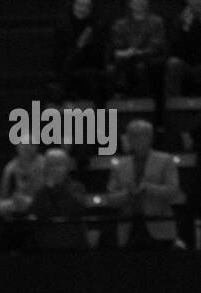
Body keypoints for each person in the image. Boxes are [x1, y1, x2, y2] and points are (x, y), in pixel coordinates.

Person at [106, 117, 182, 246]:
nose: (137, 140)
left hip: (160, 226)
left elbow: (173, 191)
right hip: (129, 229)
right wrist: (129, 193)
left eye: (142, 136)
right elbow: (111, 198)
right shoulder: (119, 166)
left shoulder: (165, 160)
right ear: (128, 139)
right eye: (133, 136)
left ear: (150, 138)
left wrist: (148, 188)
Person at [106, 0, 167, 113]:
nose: (139, 2)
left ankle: (158, 115)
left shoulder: (157, 21)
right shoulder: (120, 24)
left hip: (149, 58)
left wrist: (138, 52)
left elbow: (157, 45)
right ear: (129, 3)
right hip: (126, 58)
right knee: (121, 63)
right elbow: (116, 46)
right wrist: (125, 52)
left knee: (154, 65)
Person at [28, 151, 91, 250]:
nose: (54, 169)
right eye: (50, 165)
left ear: (67, 167)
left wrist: (57, 188)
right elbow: (33, 211)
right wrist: (47, 188)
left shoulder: (77, 187)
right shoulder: (40, 190)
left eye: (58, 164)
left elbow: (77, 207)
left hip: (74, 247)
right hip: (45, 248)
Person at [52, 1, 108, 103]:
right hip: (67, 72)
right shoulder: (62, 26)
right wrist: (78, 47)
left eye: (86, 6)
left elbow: (99, 56)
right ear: (72, 6)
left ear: (91, 9)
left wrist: (84, 46)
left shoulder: (97, 26)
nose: (82, 9)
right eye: (79, 5)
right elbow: (58, 55)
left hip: (91, 70)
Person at [0, 141, 46, 250]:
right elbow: (2, 198)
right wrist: (10, 205)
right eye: (23, 145)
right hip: (16, 215)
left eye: (30, 144)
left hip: (41, 217)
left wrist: (31, 203)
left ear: (36, 147)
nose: (26, 148)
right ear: (17, 147)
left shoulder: (45, 165)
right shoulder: (10, 168)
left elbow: (49, 194)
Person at [165, 0, 201, 99]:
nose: (197, 3)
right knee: (173, 63)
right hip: (185, 63)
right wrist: (185, 27)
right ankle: (174, 105)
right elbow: (174, 49)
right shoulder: (179, 20)